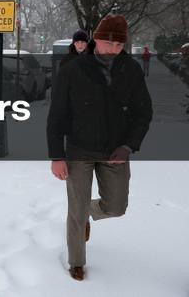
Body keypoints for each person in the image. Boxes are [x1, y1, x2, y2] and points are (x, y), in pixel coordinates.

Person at [46, 14, 152, 281]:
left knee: (116, 207)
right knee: (75, 209)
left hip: (115, 151)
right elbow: (57, 114)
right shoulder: (73, 69)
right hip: (79, 150)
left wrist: (128, 146)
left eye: (119, 46)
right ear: (96, 40)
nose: (113, 50)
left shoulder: (131, 69)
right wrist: (57, 155)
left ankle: (88, 214)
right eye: (108, 43)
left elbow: (143, 112)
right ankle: (77, 262)